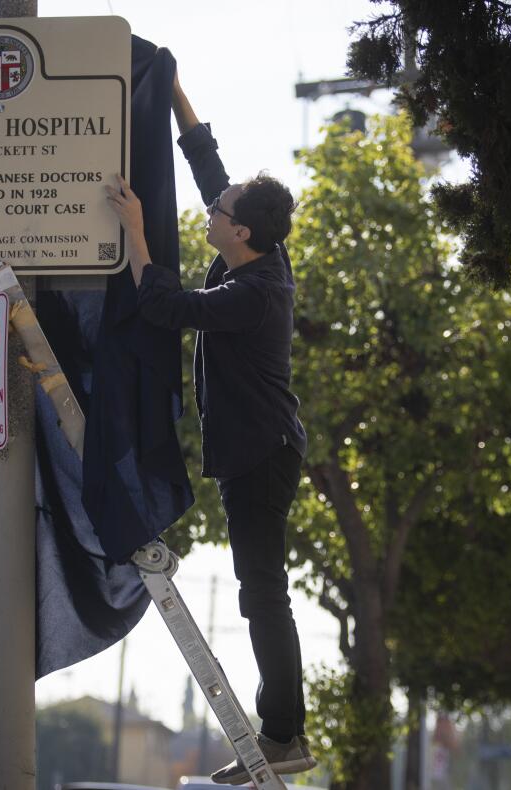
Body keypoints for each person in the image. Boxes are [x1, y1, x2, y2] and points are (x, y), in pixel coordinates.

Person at [104, 70, 314, 785]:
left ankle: (283, 735)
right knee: (264, 590)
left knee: (262, 593)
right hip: (259, 452)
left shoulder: (250, 294)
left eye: (218, 211)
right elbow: (207, 164)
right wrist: (173, 88)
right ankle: (285, 731)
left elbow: (164, 304)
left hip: (261, 456)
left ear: (240, 231)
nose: (209, 211)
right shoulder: (259, 252)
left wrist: (133, 232)